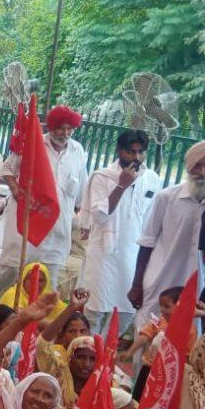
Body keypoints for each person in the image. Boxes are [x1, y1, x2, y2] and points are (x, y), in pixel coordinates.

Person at [0, 105, 89, 301]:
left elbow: (81, 193)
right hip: (26, 228)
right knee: (9, 274)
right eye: (61, 128)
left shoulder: (77, 150)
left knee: (48, 283)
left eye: (70, 129)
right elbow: (7, 170)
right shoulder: (32, 144)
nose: (65, 133)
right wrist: (17, 191)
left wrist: (83, 220)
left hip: (57, 232)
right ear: (51, 127)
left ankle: (35, 325)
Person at [79, 129, 161, 334]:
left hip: (133, 256)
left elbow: (151, 220)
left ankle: (106, 354)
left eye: (141, 152)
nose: (137, 158)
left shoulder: (151, 179)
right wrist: (122, 185)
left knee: (127, 311)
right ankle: (91, 351)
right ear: (119, 150)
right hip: (104, 254)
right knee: (95, 310)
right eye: (131, 152)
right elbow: (99, 216)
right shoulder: (102, 177)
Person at [126, 139, 205, 328]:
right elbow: (147, 242)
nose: (202, 172)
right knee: (148, 329)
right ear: (188, 167)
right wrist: (137, 285)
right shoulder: (167, 197)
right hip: (160, 279)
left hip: (196, 285)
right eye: (198, 165)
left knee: (187, 337)